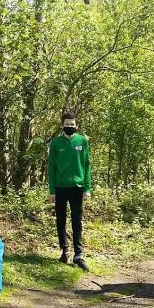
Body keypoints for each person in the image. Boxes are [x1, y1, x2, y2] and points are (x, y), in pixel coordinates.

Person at [48, 112, 92, 271]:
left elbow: (87, 165)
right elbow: (51, 167)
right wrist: (51, 189)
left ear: (76, 126)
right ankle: (64, 251)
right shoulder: (56, 143)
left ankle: (78, 255)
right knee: (61, 220)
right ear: (62, 125)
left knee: (77, 221)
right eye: (67, 125)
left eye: (72, 125)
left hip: (77, 188)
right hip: (60, 187)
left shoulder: (82, 141)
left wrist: (87, 187)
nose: (69, 127)